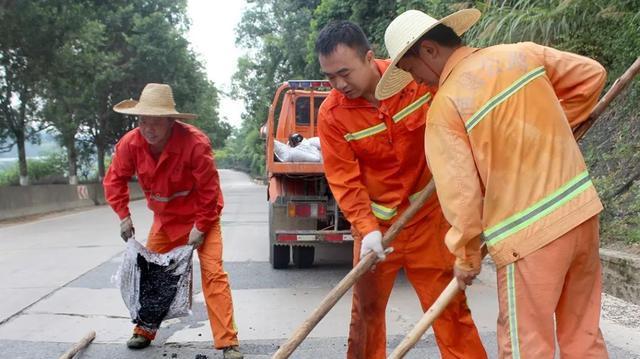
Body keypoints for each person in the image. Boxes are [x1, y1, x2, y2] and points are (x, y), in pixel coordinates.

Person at [376, 8, 609, 358]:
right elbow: (592, 75)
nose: (417, 81)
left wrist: (466, 257)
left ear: (428, 50)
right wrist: (553, 126)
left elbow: (463, 199)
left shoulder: (446, 106)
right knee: (583, 337)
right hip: (581, 214)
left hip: (526, 235)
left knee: (525, 346)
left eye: (411, 70)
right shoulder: (520, 54)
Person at [315, 21, 487, 359]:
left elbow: (457, 124)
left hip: (428, 222)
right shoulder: (332, 115)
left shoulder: (413, 80)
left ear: (369, 57)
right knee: (366, 317)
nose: (338, 84)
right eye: (330, 77)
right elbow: (344, 180)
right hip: (377, 232)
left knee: (449, 311)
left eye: (345, 73)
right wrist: (366, 231)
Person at [103, 83, 244, 359]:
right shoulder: (131, 143)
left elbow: (209, 192)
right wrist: (123, 215)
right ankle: (144, 330)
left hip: (202, 219)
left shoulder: (195, 144)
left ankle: (228, 342)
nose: (149, 129)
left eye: (156, 122)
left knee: (213, 275)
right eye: (143, 121)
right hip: (165, 221)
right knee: (152, 273)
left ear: (171, 121)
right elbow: (114, 179)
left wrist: (201, 227)